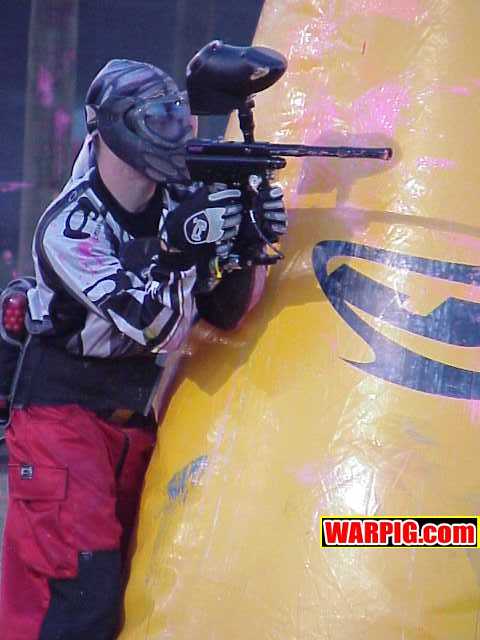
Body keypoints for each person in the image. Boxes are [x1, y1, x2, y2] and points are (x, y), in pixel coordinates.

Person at [0, 59, 287, 639]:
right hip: (60, 417)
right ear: (117, 128)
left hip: (131, 421)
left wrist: (247, 244)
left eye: (177, 114)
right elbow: (158, 328)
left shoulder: (177, 199)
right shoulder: (71, 228)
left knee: (130, 583)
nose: (176, 129)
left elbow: (223, 313)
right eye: (159, 117)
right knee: (78, 594)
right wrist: (183, 250)